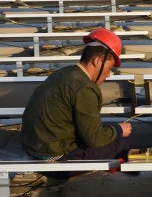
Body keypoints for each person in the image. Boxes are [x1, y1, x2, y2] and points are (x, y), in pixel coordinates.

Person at [21, 28, 132, 173]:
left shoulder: (64, 73)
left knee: (108, 134)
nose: (108, 75)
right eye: (109, 68)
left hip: (34, 149)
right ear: (98, 61)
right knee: (120, 145)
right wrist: (119, 129)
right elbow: (94, 139)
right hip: (54, 156)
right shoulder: (85, 87)